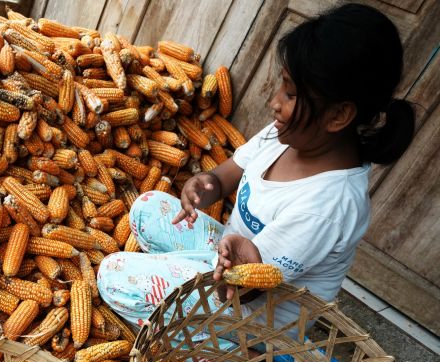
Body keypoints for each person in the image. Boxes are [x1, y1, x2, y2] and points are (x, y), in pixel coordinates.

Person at [97, 3, 415, 334]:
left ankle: (223, 352)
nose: (274, 102)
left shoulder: (328, 206)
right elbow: (228, 174)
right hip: (232, 256)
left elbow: (239, 292)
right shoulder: (289, 135)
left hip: (254, 314)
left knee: (113, 275)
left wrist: (230, 266)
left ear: (338, 116)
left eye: (290, 94)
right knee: (147, 208)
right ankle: (191, 283)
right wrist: (207, 184)